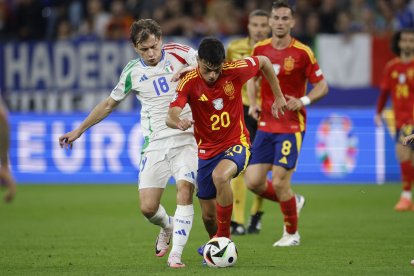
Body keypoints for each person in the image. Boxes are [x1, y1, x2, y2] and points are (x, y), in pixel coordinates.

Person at [58, 19, 198, 268]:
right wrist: (79, 130)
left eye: (154, 46)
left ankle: (176, 255)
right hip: (155, 143)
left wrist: (190, 71)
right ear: (135, 47)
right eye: (145, 49)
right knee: (147, 208)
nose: (151, 53)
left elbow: (212, 69)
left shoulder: (184, 53)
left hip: (187, 137)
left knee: (185, 189)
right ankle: (168, 226)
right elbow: (109, 105)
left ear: (160, 39)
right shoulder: (132, 72)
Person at [166, 37, 286, 242]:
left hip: (236, 143)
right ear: (198, 62)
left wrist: (278, 95)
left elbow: (264, 61)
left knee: (221, 176)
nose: (212, 75)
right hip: (206, 151)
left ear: (223, 62)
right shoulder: (189, 80)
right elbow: (171, 115)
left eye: (217, 69)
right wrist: (178, 121)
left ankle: (224, 239)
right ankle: (217, 245)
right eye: (207, 69)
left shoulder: (235, 70)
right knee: (208, 216)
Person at [245, 0, 329, 247]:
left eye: (285, 18)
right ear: (270, 21)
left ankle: (292, 234)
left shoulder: (303, 52)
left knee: (281, 181)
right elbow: (251, 78)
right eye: (276, 18)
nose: (280, 22)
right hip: (265, 125)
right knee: (253, 182)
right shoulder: (260, 49)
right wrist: (252, 103)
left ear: (292, 22)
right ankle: (294, 201)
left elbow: (323, 86)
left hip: (291, 126)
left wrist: (303, 100)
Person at [225, 9, 271, 235]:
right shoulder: (234, 48)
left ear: (269, 26)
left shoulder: (276, 51)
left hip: (270, 111)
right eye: (255, 24)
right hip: (242, 109)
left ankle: (256, 214)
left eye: (263, 25)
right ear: (249, 26)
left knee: (262, 168)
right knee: (240, 163)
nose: (259, 29)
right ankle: (239, 222)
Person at [375, 28, 414, 211]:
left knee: (402, 152)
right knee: (409, 160)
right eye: (404, 40)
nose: (407, 44)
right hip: (399, 120)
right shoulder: (392, 67)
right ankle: (407, 198)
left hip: (412, 121)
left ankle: (405, 198)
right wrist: (378, 113)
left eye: (411, 41)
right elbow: (384, 92)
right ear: (399, 43)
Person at [0, 96, 16, 203]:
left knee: (4, 161)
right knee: (4, 161)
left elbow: (2, 113)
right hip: (4, 126)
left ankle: (11, 187)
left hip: (2, 126)